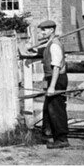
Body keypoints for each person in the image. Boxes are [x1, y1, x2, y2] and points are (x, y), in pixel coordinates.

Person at [35, 19, 69, 148]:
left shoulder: (55, 44)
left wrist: (52, 87)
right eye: (41, 30)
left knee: (56, 109)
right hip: (53, 79)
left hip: (57, 79)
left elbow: (56, 67)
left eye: (44, 30)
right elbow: (43, 53)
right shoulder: (50, 43)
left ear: (52, 30)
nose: (42, 32)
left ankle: (61, 139)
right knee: (48, 109)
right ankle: (47, 135)